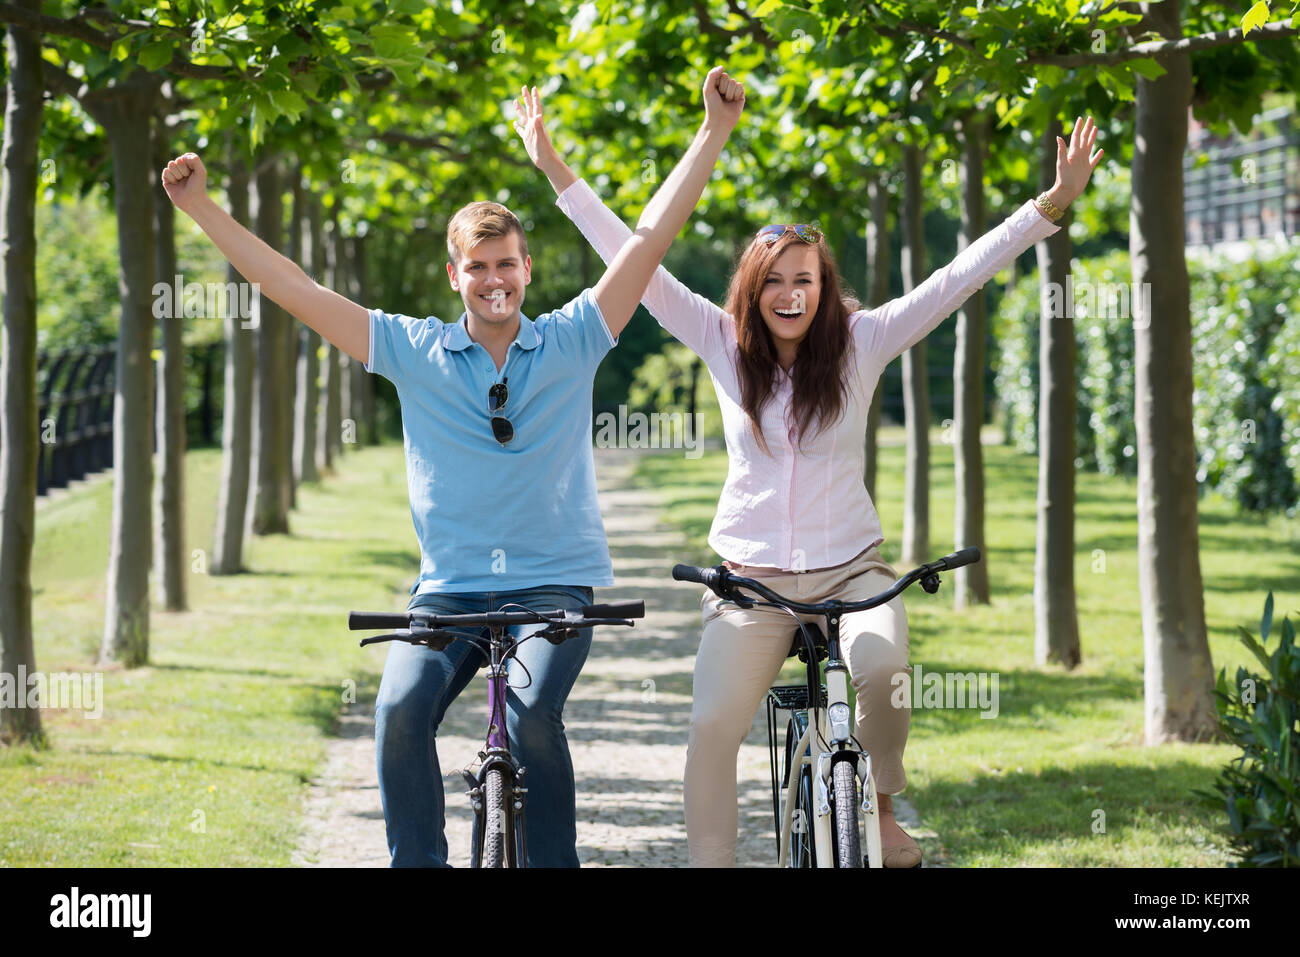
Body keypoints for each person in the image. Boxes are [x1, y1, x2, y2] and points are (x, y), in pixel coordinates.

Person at [161, 66, 746, 867]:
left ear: (528, 269)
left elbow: (649, 240)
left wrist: (711, 133)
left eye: (507, 264)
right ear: (455, 275)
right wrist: (199, 208)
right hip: (448, 592)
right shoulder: (413, 348)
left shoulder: (577, 335)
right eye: (478, 266)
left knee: (534, 712)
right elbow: (292, 287)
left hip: (554, 589)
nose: (495, 280)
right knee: (399, 708)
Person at [518, 94, 1103, 866]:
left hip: (854, 572)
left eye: (806, 279)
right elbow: (634, 256)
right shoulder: (721, 341)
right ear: (753, 289)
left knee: (886, 673)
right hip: (752, 582)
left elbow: (957, 278)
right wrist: (555, 169)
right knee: (710, 725)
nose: (791, 294)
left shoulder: (864, 340)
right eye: (775, 281)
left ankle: (883, 806)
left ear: (824, 286)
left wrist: (1048, 207)